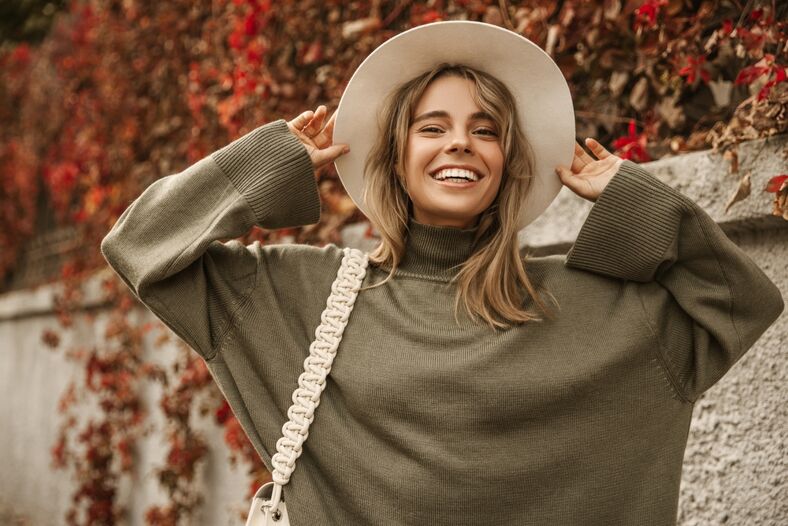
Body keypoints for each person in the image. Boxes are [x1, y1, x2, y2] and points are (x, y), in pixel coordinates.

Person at [101, 21, 783, 526]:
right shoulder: (295, 298)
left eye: (485, 130)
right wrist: (268, 163)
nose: (460, 141)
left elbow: (739, 302)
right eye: (432, 127)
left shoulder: (606, 308)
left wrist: (637, 200)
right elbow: (141, 245)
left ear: (509, 161)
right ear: (393, 157)